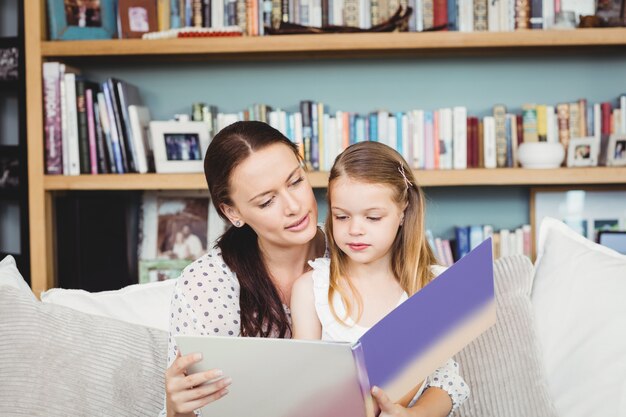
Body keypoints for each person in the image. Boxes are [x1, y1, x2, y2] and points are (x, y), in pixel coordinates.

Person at [290, 141, 470, 417]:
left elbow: (446, 383)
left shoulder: (431, 285)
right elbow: (302, 386)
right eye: (341, 216)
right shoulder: (311, 289)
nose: (355, 230)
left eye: (373, 217)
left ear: (402, 211)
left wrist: (413, 415)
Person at [161, 121, 326, 417]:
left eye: (296, 181)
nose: (294, 206)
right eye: (267, 201)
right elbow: (200, 405)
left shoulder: (358, 249)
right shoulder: (207, 285)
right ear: (232, 212)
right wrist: (178, 410)